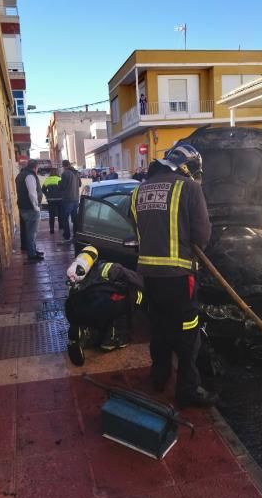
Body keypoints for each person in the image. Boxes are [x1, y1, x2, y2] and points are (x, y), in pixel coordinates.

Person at [130, 143, 217, 408]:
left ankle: (159, 377)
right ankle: (187, 391)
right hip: (179, 277)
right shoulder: (189, 188)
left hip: (148, 276)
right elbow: (201, 236)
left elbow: (138, 229)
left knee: (159, 329)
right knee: (187, 333)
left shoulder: (138, 191)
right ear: (187, 167)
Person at [65, 245, 144, 366]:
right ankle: (113, 339)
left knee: (97, 305)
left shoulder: (76, 275)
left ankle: (84, 332)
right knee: (126, 299)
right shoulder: (111, 268)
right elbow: (135, 279)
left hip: (73, 311)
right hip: (98, 307)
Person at [16, 159, 44, 262]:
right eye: (37, 168)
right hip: (30, 208)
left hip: (24, 207)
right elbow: (32, 193)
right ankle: (32, 254)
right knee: (32, 232)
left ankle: (33, 250)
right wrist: (36, 207)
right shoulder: (29, 176)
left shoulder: (21, 175)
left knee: (29, 231)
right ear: (35, 167)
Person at [60, 160, 81, 241]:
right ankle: (76, 234)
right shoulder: (76, 173)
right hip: (76, 199)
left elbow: (62, 186)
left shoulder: (65, 174)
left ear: (64, 166)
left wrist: (59, 183)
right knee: (74, 218)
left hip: (67, 199)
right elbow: (80, 184)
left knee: (65, 218)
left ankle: (67, 235)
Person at [42, 168, 63, 234]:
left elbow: (43, 189)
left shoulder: (47, 180)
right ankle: (60, 227)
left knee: (51, 215)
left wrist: (47, 195)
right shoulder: (59, 179)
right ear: (57, 172)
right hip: (60, 199)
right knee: (60, 214)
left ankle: (52, 229)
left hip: (50, 200)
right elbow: (63, 188)